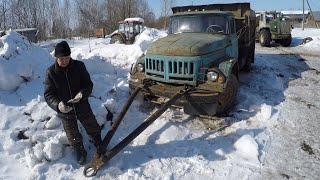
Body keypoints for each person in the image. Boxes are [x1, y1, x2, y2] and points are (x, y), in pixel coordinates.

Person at [44, 41, 103, 165]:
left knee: (92, 126)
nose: (64, 61)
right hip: (66, 110)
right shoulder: (51, 73)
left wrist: (82, 94)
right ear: (56, 58)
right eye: (61, 58)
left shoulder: (79, 66)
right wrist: (58, 105)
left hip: (82, 105)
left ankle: (99, 142)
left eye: (67, 58)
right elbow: (49, 94)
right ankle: (80, 151)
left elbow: (88, 84)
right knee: (72, 134)